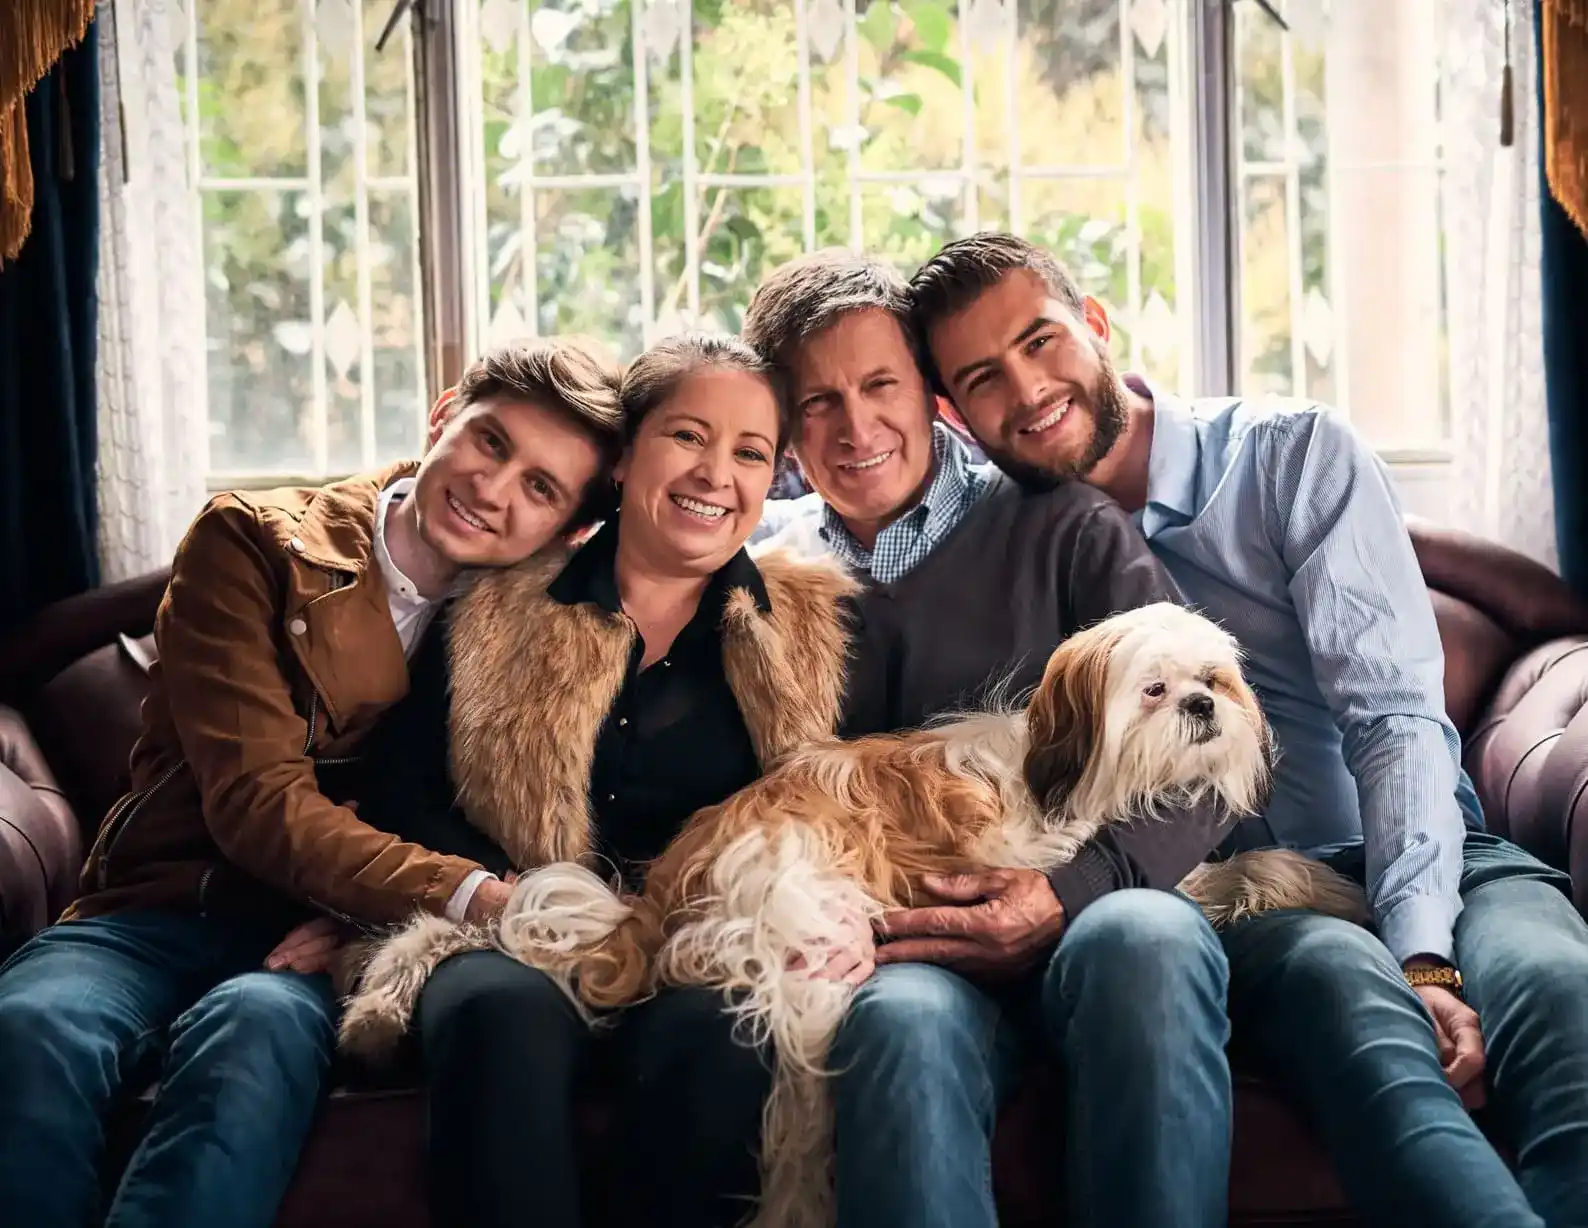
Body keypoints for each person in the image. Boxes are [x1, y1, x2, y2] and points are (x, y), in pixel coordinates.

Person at [910, 230, 1588, 1227]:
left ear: (1096, 326)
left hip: (1445, 855)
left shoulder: (1290, 455)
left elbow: (1394, 718)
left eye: (1041, 341)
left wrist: (1423, 950)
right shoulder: (1009, 555)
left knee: (1566, 1008)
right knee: (1367, 1029)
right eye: (982, 378)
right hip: (1257, 900)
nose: (1027, 389)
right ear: (953, 416)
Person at [0, 337, 627, 1228]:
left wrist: (373, 917)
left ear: (571, 530)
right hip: (155, 910)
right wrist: (471, 895)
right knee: (31, 1027)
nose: (494, 487)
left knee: (251, 1042)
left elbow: (517, 806)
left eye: (540, 486)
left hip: (318, 944)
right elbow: (257, 802)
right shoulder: (253, 541)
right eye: (492, 442)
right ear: (446, 414)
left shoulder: (541, 622)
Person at [743, 250, 1238, 1228]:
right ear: (785, 434)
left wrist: (1064, 894)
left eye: (881, 385)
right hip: (909, 944)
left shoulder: (1064, 529)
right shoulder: (759, 580)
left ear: (932, 398)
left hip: (1097, 908)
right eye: (818, 402)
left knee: (1147, 941)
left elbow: (1212, 755)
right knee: (899, 1023)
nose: (856, 427)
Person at [351, 333, 858, 1228]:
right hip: (512, 938)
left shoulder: (823, 626)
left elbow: (855, 810)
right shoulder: (494, 600)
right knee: (493, 1012)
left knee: (727, 1028)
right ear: (625, 459)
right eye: (688, 437)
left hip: (707, 951)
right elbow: (402, 789)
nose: (715, 473)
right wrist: (523, 904)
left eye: (749, 453)